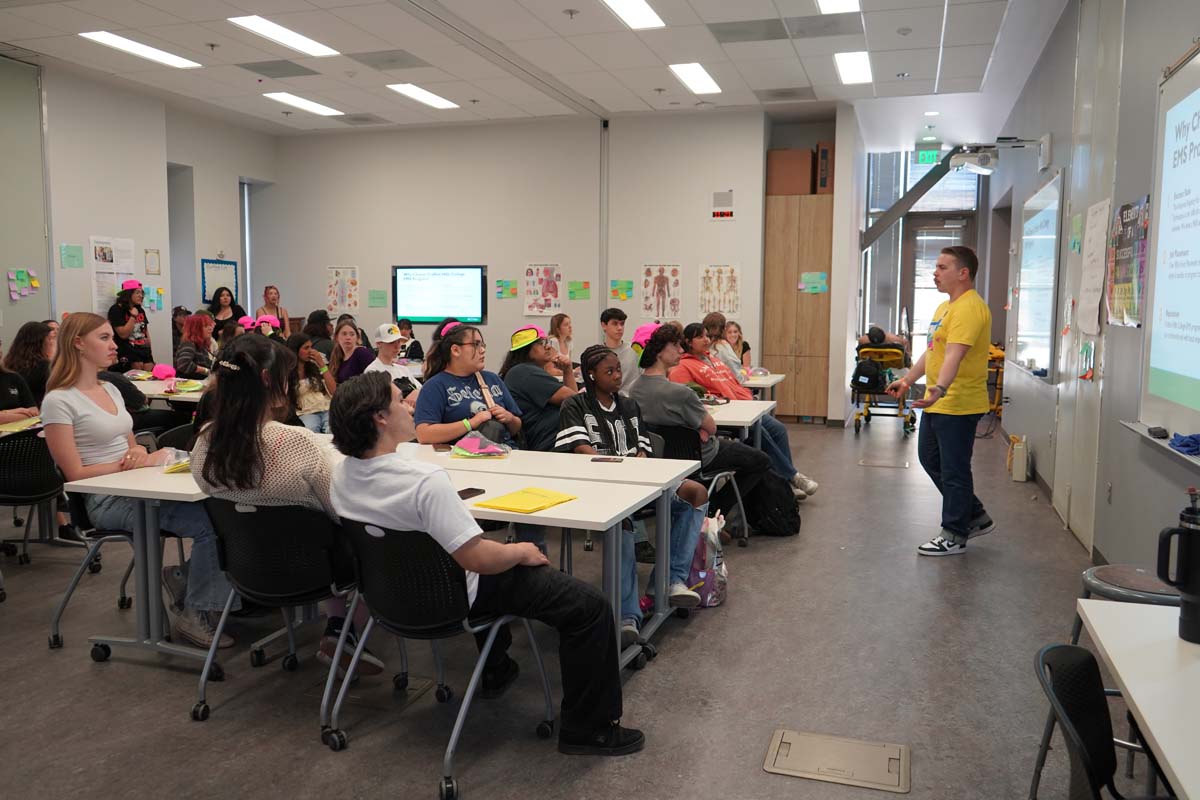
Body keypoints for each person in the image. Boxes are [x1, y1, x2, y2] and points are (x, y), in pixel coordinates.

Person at [329, 371, 644, 756]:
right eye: (399, 400)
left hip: (392, 600)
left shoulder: (341, 475)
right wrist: (522, 552)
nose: (409, 405)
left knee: (469, 554)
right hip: (457, 596)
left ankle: (496, 668)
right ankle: (589, 728)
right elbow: (477, 558)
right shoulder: (424, 481)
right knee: (589, 607)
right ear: (380, 417)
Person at [41, 313, 235, 648]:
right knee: (206, 525)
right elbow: (73, 474)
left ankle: (183, 579)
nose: (113, 345)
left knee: (220, 514)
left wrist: (143, 459)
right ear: (78, 344)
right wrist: (128, 465)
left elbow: (133, 448)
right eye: (103, 338)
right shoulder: (59, 401)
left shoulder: (111, 390)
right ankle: (195, 612)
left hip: (136, 485)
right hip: (103, 500)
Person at [191, 334, 382, 674]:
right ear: (268, 380)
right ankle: (344, 630)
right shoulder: (296, 443)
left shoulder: (205, 444)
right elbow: (338, 511)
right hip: (315, 569)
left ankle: (340, 628)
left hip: (247, 570)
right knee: (366, 537)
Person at [555, 344, 707, 644]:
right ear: (590, 375)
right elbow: (580, 451)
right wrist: (624, 467)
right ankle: (627, 615)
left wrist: (638, 462)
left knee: (696, 493)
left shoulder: (628, 405)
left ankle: (669, 580)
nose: (616, 376)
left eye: (618, 370)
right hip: (600, 485)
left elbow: (643, 447)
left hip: (638, 480)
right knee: (622, 518)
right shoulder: (575, 406)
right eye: (608, 372)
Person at [886, 246, 995, 556]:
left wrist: (941, 387)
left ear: (963, 273)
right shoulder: (945, 308)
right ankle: (974, 515)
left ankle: (955, 533)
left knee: (954, 469)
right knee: (930, 459)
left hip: (958, 402)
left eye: (942, 267)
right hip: (939, 401)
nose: (935, 272)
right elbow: (932, 352)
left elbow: (955, 355)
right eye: (936, 266)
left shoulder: (969, 309)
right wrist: (908, 379)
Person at [414, 322, 541, 548]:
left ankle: (534, 557)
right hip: (468, 472)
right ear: (455, 350)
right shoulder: (436, 386)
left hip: (510, 461)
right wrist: (470, 423)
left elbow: (517, 425)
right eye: (476, 344)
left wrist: (508, 418)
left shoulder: (491, 380)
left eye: (483, 345)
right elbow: (424, 433)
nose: (483, 350)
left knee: (535, 511)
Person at [630, 325, 773, 520]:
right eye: (676, 346)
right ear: (659, 352)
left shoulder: (635, 389)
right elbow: (711, 428)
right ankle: (714, 509)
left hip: (661, 457)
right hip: (700, 455)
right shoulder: (681, 393)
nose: (681, 350)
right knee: (761, 460)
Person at [672, 322, 819, 500]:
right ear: (687, 341)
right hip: (724, 415)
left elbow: (734, 381)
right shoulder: (684, 366)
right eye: (700, 336)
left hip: (742, 405)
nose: (706, 339)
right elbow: (689, 395)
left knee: (778, 429)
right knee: (759, 431)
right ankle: (791, 477)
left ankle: (784, 481)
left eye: (707, 335)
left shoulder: (713, 359)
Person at [499, 325, 576, 452]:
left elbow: (574, 400)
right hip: (550, 446)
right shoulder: (524, 372)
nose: (548, 347)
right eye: (541, 343)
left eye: (547, 342)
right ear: (526, 349)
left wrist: (567, 370)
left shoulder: (524, 371)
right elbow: (573, 399)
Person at [285, 333, 335, 433]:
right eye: (306, 348)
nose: (311, 351)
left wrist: (322, 365)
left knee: (332, 430)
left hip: (326, 408)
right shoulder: (287, 371)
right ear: (296, 350)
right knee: (311, 431)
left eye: (311, 347)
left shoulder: (315, 365)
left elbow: (333, 390)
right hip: (306, 412)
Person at [363, 323, 421, 408]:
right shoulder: (372, 372)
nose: (397, 346)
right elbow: (379, 403)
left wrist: (416, 393)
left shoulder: (403, 369)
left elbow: (423, 389)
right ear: (378, 344)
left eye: (398, 341)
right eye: (391, 342)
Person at [4, 320, 56, 404]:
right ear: (40, 342)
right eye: (50, 339)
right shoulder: (45, 367)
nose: (53, 342)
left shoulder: (7, 364)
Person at [107, 279, 154, 371]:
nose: (141, 296)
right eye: (137, 293)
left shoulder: (140, 310)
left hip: (144, 349)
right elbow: (123, 335)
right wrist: (133, 316)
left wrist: (150, 351)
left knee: (149, 373)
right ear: (128, 294)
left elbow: (145, 332)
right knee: (137, 372)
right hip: (127, 350)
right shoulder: (116, 309)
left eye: (142, 293)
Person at [0, 334, 38, 424]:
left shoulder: (14, 378)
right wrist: (13, 411)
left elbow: (34, 412)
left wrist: (4, 416)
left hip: (16, 435)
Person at [600, 308, 639, 393]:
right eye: (615, 324)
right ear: (604, 325)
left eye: (622, 324)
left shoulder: (634, 350)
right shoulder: (599, 354)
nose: (619, 328)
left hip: (632, 400)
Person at [330, 318, 375, 384]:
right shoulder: (338, 356)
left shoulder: (362, 353)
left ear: (357, 338)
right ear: (337, 337)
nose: (348, 337)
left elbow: (375, 379)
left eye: (352, 334)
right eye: (344, 334)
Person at [703, 312, 744, 377]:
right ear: (724, 328)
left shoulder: (701, 346)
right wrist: (744, 377)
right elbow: (736, 374)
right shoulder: (723, 346)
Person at [174, 314, 215, 379]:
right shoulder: (189, 344)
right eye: (205, 326)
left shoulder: (201, 345)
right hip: (189, 385)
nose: (210, 328)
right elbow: (183, 364)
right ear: (195, 329)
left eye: (210, 325)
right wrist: (206, 371)